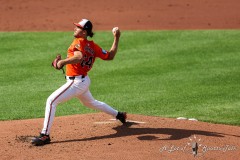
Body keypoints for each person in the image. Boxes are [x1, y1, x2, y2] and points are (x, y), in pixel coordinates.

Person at [32, 19, 127, 146]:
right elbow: (110, 56)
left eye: (78, 27)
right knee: (91, 103)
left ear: (84, 32)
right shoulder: (93, 46)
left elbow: (79, 57)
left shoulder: (78, 42)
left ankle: (45, 135)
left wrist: (62, 62)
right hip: (83, 81)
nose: (75, 29)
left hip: (76, 82)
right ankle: (119, 115)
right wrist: (117, 37)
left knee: (51, 101)